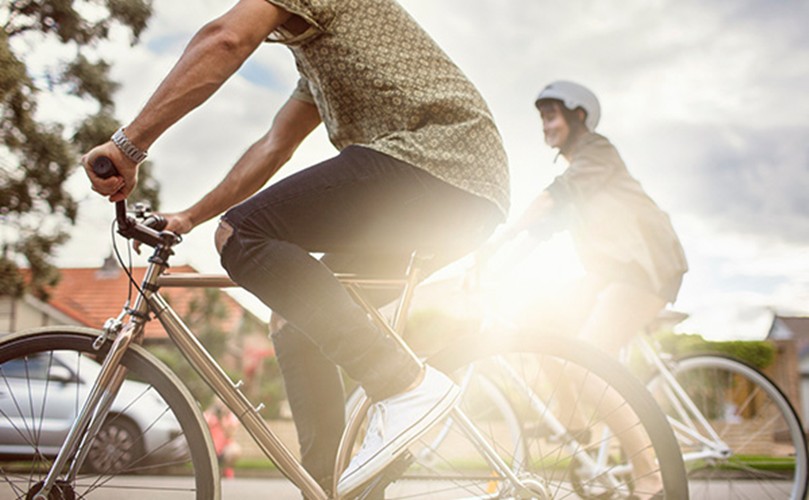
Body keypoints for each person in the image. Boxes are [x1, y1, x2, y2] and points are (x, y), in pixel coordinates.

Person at [81, 0, 509, 496]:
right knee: (293, 320)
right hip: (455, 194)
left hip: (438, 164)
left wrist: (128, 145)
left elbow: (225, 40)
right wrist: (189, 217)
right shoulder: (317, 59)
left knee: (241, 235)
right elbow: (273, 146)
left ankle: (403, 384)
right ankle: (333, 488)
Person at [497, 80, 687, 355]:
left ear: (578, 115)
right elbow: (541, 229)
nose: (545, 127)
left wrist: (502, 236)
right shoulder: (582, 179)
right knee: (536, 328)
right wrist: (498, 268)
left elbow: (554, 196)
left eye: (551, 117)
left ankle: (595, 389)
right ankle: (571, 399)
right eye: (542, 120)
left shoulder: (597, 151)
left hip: (646, 265)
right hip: (613, 272)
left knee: (586, 364)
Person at [204, 400, 242, 479]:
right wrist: (212, 413)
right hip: (210, 447)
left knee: (235, 450)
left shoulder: (230, 417)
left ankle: (227, 469)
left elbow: (230, 434)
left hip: (224, 448)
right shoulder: (209, 415)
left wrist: (222, 419)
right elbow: (202, 427)